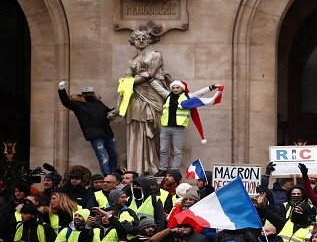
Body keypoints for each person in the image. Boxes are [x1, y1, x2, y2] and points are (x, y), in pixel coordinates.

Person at [108, 29, 168, 174]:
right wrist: (118, 107)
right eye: (137, 38)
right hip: (136, 97)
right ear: (132, 41)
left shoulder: (156, 55)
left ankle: (151, 165)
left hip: (152, 96)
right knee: (136, 127)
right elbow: (125, 82)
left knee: (151, 129)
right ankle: (136, 166)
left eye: (144, 38)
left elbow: (149, 75)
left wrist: (128, 83)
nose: (141, 40)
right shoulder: (132, 61)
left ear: (148, 40)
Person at [154, 80, 219, 174]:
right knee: (163, 149)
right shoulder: (168, 95)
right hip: (166, 126)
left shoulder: (188, 97)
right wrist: (149, 79)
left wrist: (212, 87)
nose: (175, 89)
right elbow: (158, 88)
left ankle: (174, 169)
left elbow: (200, 93)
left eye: (177, 88)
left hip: (178, 128)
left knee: (177, 150)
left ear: (182, 88)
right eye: (173, 88)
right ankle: (162, 169)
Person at [58, 82, 118, 175]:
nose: (89, 95)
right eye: (87, 94)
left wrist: (117, 110)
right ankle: (107, 175)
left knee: (114, 155)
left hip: (107, 133)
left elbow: (108, 111)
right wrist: (62, 90)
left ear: (94, 94)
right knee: (103, 158)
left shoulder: (99, 103)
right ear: (83, 95)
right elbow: (66, 102)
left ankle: (114, 174)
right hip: (95, 135)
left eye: (91, 93)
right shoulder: (78, 105)